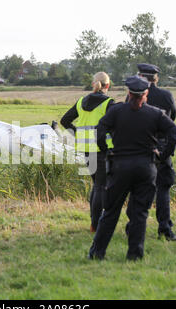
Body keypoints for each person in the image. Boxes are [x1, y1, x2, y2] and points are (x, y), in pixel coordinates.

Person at [89, 76, 176, 261]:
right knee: (140, 213)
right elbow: (174, 132)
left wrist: (107, 150)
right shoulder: (156, 114)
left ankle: (97, 253)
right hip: (146, 167)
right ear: (146, 94)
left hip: (120, 165)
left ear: (129, 93)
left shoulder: (116, 111)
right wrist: (162, 154)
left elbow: (99, 131)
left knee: (111, 211)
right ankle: (135, 254)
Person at [125, 63, 176, 241]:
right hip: (162, 146)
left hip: (140, 147)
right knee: (163, 189)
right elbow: (172, 118)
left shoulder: (132, 97)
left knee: (137, 189)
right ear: (156, 78)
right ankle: (165, 228)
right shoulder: (166, 95)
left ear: (140, 77)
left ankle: (132, 226)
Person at [61, 72, 115, 233]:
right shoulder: (108, 103)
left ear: (94, 84)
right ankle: (96, 225)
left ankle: (94, 223)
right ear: (107, 86)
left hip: (85, 149)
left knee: (96, 185)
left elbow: (65, 121)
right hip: (102, 149)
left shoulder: (81, 102)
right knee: (100, 186)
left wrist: (77, 134)